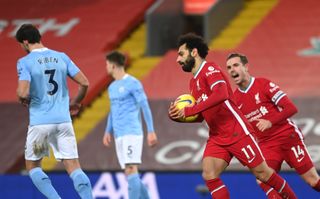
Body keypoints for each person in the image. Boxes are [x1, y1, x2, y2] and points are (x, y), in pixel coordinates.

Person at [168, 33, 298, 199]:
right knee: (209, 174)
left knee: (264, 174)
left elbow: (221, 93)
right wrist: (179, 116)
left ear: (194, 52)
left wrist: (188, 111)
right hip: (217, 136)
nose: (178, 60)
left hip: (237, 131)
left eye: (181, 54)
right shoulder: (193, 83)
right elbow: (201, 115)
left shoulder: (210, 69)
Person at [226, 52, 320, 198]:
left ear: (246, 67)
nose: (232, 70)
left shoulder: (263, 84)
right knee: (262, 178)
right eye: (229, 67)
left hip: (288, 137)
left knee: (313, 181)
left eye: (236, 65)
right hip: (267, 145)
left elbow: (291, 108)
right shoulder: (235, 100)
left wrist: (270, 122)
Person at [15, 24, 93, 199]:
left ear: (26, 42)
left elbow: (22, 92)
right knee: (74, 167)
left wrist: (22, 98)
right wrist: (76, 102)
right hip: (64, 123)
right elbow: (85, 83)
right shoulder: (61, 57)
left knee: (34, 167)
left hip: (40, 125)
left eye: (21, 44)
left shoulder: (25, 62)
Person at [102, 51, 158, 199]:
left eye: (107, 64)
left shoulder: (133, 83)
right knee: (129, 172)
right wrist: (108, 131)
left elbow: (145, 106)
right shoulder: (112, 87)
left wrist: (151, 131)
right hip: (119, 134)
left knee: (131, 168)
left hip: (132, 132)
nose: (106, 67)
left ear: (113, 65)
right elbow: (113, 110)